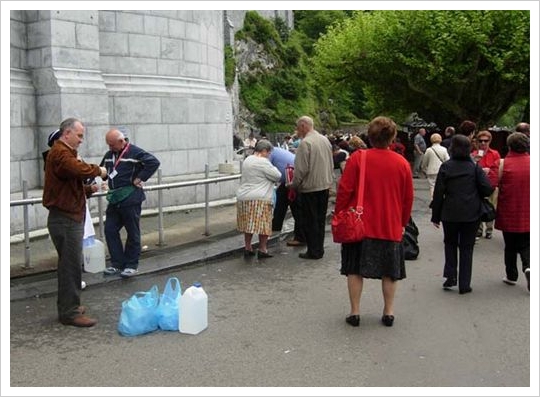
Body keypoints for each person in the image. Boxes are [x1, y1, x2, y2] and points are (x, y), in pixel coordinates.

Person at [335, 116, 413, 328]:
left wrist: (339, 213)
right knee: (390, 271)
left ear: (369, 136)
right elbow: (408, 198)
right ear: (392, 137)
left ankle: (355, 311)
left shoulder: (358, 158)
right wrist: (403, 221)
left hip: (359, 225)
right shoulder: (402, 163)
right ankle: (388, 311)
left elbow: (344, 190)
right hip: (389, 224)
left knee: (354, 268)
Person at [42, 117, 107, 327]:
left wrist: (88, 190)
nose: (81, 140)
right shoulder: (60, 152)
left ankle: (69, 306)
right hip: (65, 220)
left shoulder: (63, 153)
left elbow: (68, 185)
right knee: (70, 267)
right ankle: (69, 313)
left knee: (69, 265)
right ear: (66, 133)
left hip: (68, 217)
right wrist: (99, 170)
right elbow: (78, 170)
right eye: (79, 136)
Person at [431, 135, 494, 295]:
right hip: (471, 213)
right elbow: (487, 188)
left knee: (450, 244)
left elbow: (439, 193)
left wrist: (436, 216)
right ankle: (465, 283)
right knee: (467, 248)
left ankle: (451, 276)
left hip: (450, 213)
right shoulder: (474, 167)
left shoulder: (446, 167)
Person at [101, 129, 160, 278]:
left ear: (122, 142)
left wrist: (140, 178)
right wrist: (101, 180)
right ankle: (117, 263)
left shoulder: (135, 152)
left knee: (132, 231)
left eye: (112, 145)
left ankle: (131, 264)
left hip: (131, 197)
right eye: (108, 145)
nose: (110, 148)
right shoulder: (109, 156)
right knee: (110, 229)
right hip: (115, 198)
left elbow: (153, 162)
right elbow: (103, 170)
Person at [488, 133, 530, 291]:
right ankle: (528, 266)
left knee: (510, 244)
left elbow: (490, 184)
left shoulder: (502, 164)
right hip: (530, 209)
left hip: (509, 209)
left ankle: (511, 275)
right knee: (527, 242)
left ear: (509, 146)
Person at [290, 116, 334, 260]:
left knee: (310, 220)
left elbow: (301, 169)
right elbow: (330, 162)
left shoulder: (305, 143)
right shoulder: (324, 139)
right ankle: (318, 248)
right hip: (324, 185)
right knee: (320, 220)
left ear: (303, 126)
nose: (297, 131)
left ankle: (313, 250)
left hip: (310, 187)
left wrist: (293, 185)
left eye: (298, 127)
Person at [236, 140, 282, 258]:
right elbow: (277, 175)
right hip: (260, 198)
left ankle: (248, 247)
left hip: (244, 197)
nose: (269, 156)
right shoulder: (263, 162)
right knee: (264, 225)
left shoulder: (248, 159)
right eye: (269, 153)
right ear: (264, 151)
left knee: (249, 224)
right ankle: (262, 249)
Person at [269, 146, 305, 247]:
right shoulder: (276, 151)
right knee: (281, 201)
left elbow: (266, 169)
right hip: (289, 179)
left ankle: (300, 237)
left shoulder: (269, 154)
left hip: (292, 180)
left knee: (296, 208)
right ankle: (275, 226)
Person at [471, 130, 500, 239]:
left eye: (486, 141)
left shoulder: (495, 154)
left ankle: (489, 229)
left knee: (491, 207)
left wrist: (490, 170)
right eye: (481, 141)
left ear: (490, 141)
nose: (483, 143)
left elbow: (498, 169)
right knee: (477, 207)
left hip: (491, 184)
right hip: (478, 185)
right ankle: (479, 229)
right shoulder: (474, 154)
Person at [421, 133, 449, 199]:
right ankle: (441, 199)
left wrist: (424, 169)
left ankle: (433, 200)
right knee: (441, 186)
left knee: (432, 186)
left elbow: (424, 162)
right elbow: (447, 161)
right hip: (441, 171)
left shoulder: (429, 150)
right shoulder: (444, 149)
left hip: (431, 171)